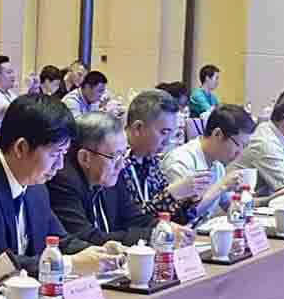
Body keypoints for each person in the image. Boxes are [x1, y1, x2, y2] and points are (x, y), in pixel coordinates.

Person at [0, 94, 120, 276]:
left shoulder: (36, 184)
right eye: (54, 154)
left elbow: (61, 241)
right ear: (21, 148)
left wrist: (98, 253)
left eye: (64, 154)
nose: (60, 165)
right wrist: (68, 264)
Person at [49, 112, 194, 246]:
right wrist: (154, 235)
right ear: (85, 158)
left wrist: (165, 227)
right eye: (115, 156)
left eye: (123, 155)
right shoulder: (63, 182)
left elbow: (134, 218)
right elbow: (87, 237)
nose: (121, 164)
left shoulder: (111, 174)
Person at [122, 89, 208, 224]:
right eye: (164, 132)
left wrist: (188, 199)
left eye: (172, 134)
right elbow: (132, 221)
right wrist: (172, 193)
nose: (167, 142)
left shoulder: (151, 161)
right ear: (138, 128)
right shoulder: (116, 163)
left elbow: (171, 215)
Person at [162, 104, 256, 216]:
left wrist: (245, 196)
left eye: (244, 147)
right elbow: (184, 215)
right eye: (238, 145)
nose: (239, 153)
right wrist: (222, 186)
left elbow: (229, 205)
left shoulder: (217, 164)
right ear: (217, 134)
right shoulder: (180, 161)